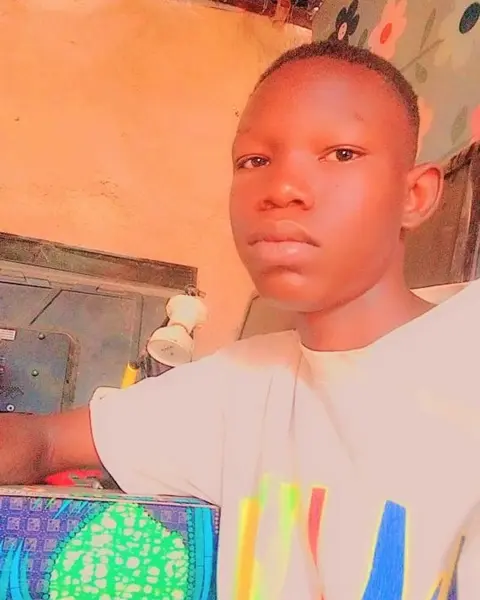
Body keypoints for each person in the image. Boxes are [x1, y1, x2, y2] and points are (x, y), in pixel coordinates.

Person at [2, 41, 480, 599]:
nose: (282, 190)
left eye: (341, 153)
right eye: (255, 161)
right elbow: (42, 442)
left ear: (415, 195)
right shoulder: (239, 387)